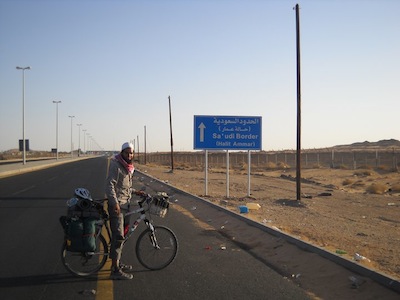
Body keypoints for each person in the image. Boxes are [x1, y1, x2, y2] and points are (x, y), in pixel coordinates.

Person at [105, 142, 135, 280]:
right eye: (127, 152)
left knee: (122, 236)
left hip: (126, 205)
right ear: (122, 152)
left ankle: (117, 262)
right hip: (118, 207)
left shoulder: (128, 168)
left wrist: (137, 192)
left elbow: (125, 187)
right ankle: (115, 270)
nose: (129, 155)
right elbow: (109, 185)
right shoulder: (116, 165)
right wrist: (114, 203)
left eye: (131, 153)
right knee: (118, 237)